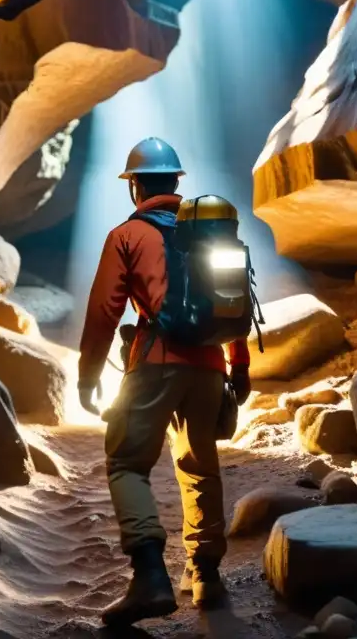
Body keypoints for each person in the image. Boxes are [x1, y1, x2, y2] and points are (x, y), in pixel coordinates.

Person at [77, 137, 251, 627]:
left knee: (127, 464)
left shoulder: (127, 236)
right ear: (176, 182)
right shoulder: (214, 233)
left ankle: (150, 575)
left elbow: (104, 312)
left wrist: (88, 376)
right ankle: (207, 576)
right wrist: (238, 368)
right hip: (210, 367)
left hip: (154, 362)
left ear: (135, 186)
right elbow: (234, 305)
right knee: (200, 465)